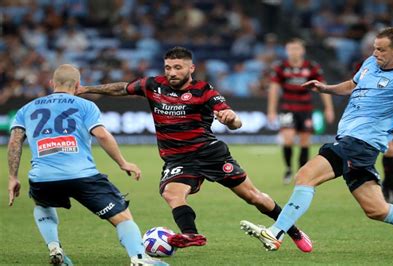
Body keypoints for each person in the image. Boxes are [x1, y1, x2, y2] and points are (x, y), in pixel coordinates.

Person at [239, 27, 393, 256]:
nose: (375, 53)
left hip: (361, 142)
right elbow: (352, 85)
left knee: (305, 176)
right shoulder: (370, 64)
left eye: (381, 50)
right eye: (374, 48)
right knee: (377, 210)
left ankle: (276, 232)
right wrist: (325, 89)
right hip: (355, 144)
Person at [76, 47, 313, 252]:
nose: (171, 72)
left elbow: (234, 122)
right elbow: (121, 88)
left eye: (177, 67)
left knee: (253, 197)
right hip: (177, 158)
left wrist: (231, 119)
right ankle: (191, 234)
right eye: (168, 67)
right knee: (171, 193)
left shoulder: (204, 90)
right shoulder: (153, 85)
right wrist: (86, 89)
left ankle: (292, 231)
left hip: (209, 153)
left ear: (191, 69)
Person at [7, 64, 167, 266]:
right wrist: (123, 162)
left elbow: (14, 142)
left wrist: (13, 177)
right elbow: (101, 134)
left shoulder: (26, 109)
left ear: (51, 83)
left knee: (43, 204)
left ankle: (54, 247)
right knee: (123, 217)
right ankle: (139, 258)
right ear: (77, 85)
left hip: (42, 177)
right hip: (82, 175)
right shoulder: (85, 105)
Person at [267, 38, 335, 184]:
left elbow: (323, 86)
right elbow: (273, 89)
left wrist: (329, 108)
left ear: (302, 50)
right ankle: (288, 168)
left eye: (296, 48)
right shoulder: (280, 67)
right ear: (286, 51)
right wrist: (271, 110)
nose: (294, 52)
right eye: (291, 49)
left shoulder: (311, 66)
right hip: (287, 108)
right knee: (288, 139)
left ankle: (301, 171)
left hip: (305, 108)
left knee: (305, 142)